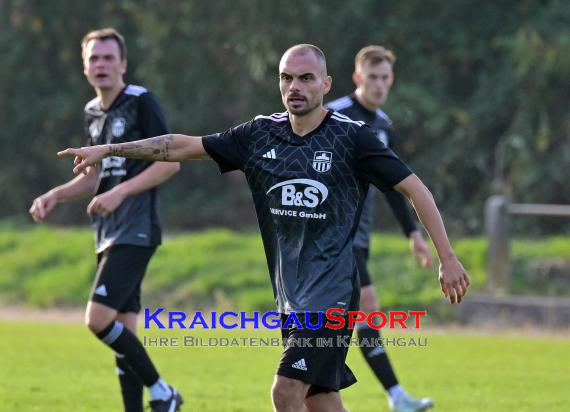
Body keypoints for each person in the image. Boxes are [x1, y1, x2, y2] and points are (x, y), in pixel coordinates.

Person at [58, 44, 470, 412]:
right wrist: (110, 149)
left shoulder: (352, 138)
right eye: (287, 77)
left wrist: (447, 258)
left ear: (326, 84)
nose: (295, 86)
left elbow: (416, 189)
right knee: (319, 400)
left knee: (285, 391)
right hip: (291, 295)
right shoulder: (259, 134)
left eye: (306, 78)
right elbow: (183, 145)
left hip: (331, 295)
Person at [29, 28, 183, 412]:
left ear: (123, 64)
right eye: (93, 59)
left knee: (97, 319)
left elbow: (171, 163)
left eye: (108, 57)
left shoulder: (141, 101)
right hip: (107, 232)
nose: (101, 65)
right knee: (123, 331)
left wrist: (120, 192)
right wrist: (55, 194)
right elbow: (94, 176)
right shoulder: (92, 113)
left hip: (137, 229)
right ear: (84, 68)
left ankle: (164, 392)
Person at [327, 45, 435, 411]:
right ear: (358, 78)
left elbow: (394, 186)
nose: (378, 84)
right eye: (371, 77)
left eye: (384, 77)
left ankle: (385, 395)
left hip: (358, 236)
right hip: (329, 236)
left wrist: (413, 234)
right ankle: (391, 395)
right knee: (360, 312)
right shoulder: (336, 115)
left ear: (392, 80)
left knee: (355, 316)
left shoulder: (384, 126)